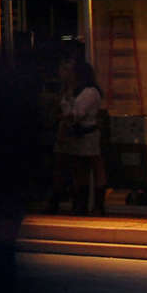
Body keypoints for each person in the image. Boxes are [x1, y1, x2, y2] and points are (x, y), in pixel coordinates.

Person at [48, 59, 104, 215]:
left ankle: (90, 204)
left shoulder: (89, 92)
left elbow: (76, 114)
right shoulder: (72, 91)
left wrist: (65, 116)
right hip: (75, 133)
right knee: (80, 169)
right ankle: (81, 203)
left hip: (85, 133)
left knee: (87, 166)